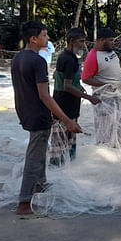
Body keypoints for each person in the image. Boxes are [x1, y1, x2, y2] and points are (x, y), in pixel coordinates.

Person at [11, 21, 82, 216]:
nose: (47, 38)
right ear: (34, 39)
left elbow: (21, 90)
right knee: (34, 157)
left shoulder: (18, 58)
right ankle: (24, 202)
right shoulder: (38, 61)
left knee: (40, 151)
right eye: (44, 35)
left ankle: (40, 185)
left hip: (26, 111)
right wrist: (66, 120)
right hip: (38, 114)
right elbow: (45, 95)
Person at [50, 28, 100, 165]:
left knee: (69, 137)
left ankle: (69, 167)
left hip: (67, 104)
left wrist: (78, 86)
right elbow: (67, 86)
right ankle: (57, 169)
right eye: (81, 41)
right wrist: (89, 97)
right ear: (71, 42)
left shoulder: (66, 57)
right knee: (60, 141)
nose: (83, 45)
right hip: (64, 105)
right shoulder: (68, 59)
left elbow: (58, 76)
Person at [82, 28, 121, 148]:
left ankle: (119, 145)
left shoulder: (111, 52)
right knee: (107, 125)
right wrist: (104, 85)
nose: (114, 42)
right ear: (101, 40)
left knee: (120, 123)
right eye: (111, 40)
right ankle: (106, 148)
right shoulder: (93, 57)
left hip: (120, 94)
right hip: (106, 97)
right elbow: (86, 78)